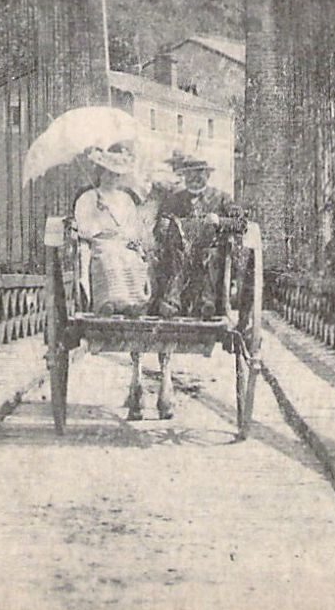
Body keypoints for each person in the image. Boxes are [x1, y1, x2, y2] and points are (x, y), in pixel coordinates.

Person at [71, 141, 173, 419]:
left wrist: (129, 239)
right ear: (99, 173)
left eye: (116, 175)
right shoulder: (87, 199)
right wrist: (98, 214)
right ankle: (108, 302)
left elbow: (132, 229)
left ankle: (132, 304)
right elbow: (84, 229)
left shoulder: (126, 201)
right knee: (108, 259)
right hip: (100, 244)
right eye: (107, 174)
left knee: (132, 260)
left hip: (122, 243)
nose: (112, 179)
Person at [155, 153, 238, 318]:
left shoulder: (222, 198)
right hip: (181, 252)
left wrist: (219, 220)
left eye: (199, 173)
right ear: (184, 176)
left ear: (207, 175)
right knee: (174, 253)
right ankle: (172, 301)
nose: (194, 177)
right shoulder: (174, 199)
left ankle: (207, 302)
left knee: (210, 255)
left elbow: (241, 223)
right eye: (190, 173)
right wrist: (162, 226)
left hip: (211, 251)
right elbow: (159, 229)